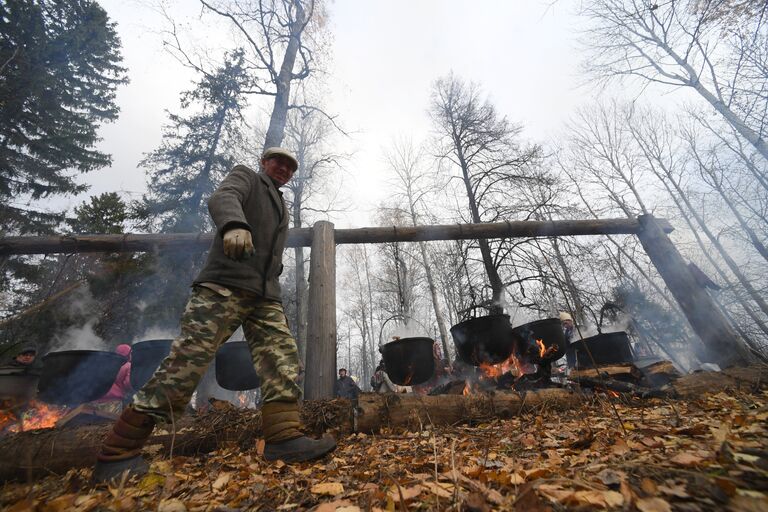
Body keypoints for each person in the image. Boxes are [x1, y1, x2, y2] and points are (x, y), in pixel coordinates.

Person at [93, 148, 336, 482]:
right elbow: (223, 196)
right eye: (278, 162)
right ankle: (117, 452)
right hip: (224, 285)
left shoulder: (281, 204)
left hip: (265, 297)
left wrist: (275, 269)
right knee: (187, 363)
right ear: (264, 163)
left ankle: (283, 438)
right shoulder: (246, 177)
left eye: (290, 167)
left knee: (282, 360)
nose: (284, 168)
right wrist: (234, 224)